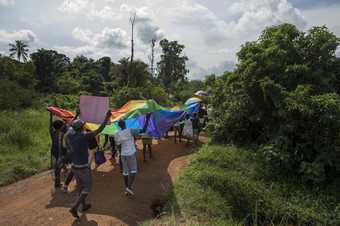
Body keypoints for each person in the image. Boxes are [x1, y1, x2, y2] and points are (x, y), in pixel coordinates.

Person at [67, 110, 112, 219]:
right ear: (82, 127)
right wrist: (106, 117)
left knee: (80, 187)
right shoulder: (85, 136)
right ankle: (74, 207)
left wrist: (77, 115)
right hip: (83, 167)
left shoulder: (70, 135)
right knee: (87, 187)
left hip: (74, 166)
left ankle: (84, 205)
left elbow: (70, 126)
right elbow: (100, 129)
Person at [114, 120, 140, 196]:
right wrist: (147, 119)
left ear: (119, 126)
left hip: (123, 154)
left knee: (125, 172)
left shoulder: (117, 134)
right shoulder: (130, 131)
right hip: (131, 153)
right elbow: (143, 130)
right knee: (134, 171)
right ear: (125, 124)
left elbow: (118, 145)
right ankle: (128, 187)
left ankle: (127, 189)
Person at [49, 112, 66, 188]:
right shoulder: (62, 133)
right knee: (58, 168)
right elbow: (68, 124)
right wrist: (76, 115)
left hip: (53, 151)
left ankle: (57, 182)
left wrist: (51, 116)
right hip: (60, 152)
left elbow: (50, 125)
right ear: (61, 127)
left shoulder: (52, 132)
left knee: (56, 167)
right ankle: (57, 183)